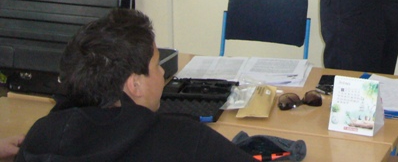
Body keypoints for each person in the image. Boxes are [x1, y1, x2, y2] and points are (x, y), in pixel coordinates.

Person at [15, 9, 254, 162]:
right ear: (135, 85)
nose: (163, 73)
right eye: (157, 64)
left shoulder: (41, 135)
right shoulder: (186, 139)